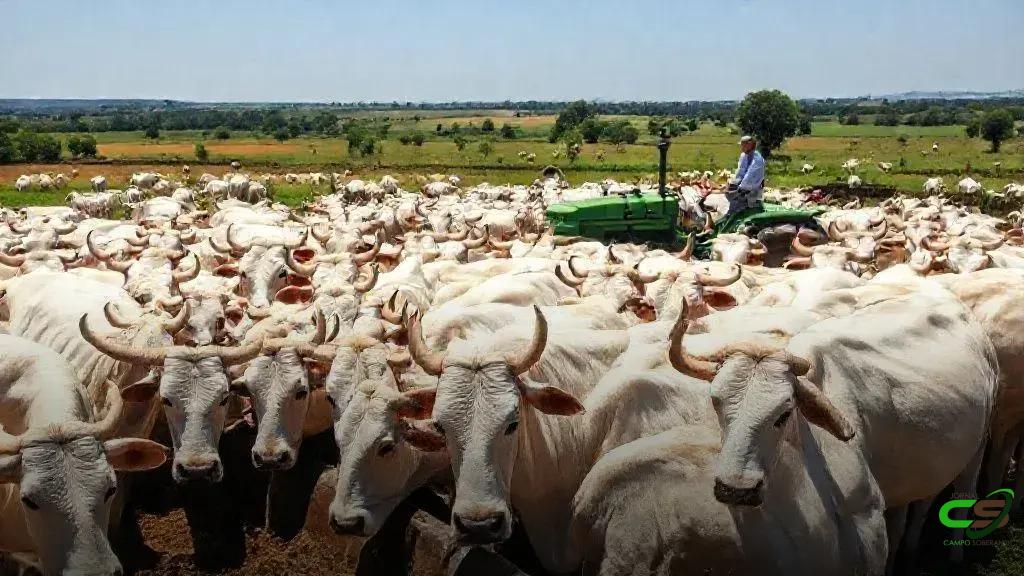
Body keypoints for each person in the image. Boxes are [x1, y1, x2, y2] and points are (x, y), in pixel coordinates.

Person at [725, 135, 765, 215]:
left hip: (752, 188)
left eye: (743, 146)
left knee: (736, 196)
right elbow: (740, 172)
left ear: (749, 145)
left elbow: (750, 177)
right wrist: (733, 183)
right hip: (744, 186)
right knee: (729, 191)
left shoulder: (757, 159)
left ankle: (740, 209)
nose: (741, 148)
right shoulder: (745, 156)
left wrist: (738, 188)